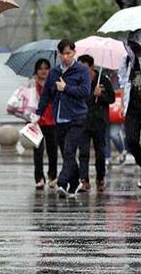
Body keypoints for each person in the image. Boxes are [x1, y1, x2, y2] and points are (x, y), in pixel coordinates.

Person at [32, 39, 91, 197]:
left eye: (68, 53)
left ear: (74, 53)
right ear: (58, 55)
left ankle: (62, 182)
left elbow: (85, 92)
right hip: (59, 118)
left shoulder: (81, 70)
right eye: (62, 54)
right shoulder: (55, 72)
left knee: (69, 150)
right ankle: (75, 183)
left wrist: (66, 88)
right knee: (67, 154)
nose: (65, 57)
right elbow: (46, 95)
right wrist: (38, 113)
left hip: (77, 117)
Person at [76, 54, 114, 193]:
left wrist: (101, 95)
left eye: (84, 67)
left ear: (91, 66)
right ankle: (84, 179)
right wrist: (93, 94)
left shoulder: (103, 79)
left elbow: (111, 99)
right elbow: (78, 99)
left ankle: (100, 178)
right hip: (83, 120)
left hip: (100, 121)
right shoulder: (79, 81)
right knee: (84, 152)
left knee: (100, 152)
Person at [30, 58, 58, 190]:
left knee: (53, 150)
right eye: (40, 68)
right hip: (37, 121)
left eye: (46, 68)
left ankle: (53, 176)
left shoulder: (54, 82)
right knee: (38, 151)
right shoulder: (31, 84)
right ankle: (39, 178)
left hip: (52, 120)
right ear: (36, 70)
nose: (43, 71)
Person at [120, 29, 141, 187]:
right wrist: (122, 103)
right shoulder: (127, 60)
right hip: (133, 107)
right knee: (131, 140)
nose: (136, 49)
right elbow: (123, 81)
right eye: (133, 46)